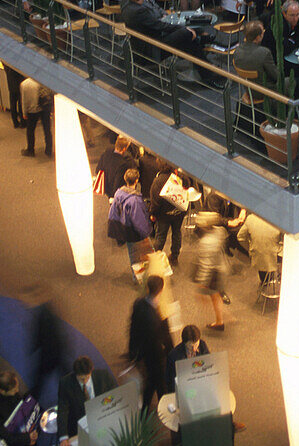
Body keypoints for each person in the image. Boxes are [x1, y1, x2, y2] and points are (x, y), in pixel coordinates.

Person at [128, 275, 174, 408]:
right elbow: (166, 338)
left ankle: (147, 409)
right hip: (157, 356)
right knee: (158, 383)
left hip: (143, 353)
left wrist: (132, 352)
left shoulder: (138, 303)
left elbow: (133, 328)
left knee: (152, 383)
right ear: (161, 290)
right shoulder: (160, 316)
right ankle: (162, 408)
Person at [56, 357, 118, 446]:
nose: (84, 381)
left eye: (87, 377)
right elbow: (62, 410)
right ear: (75, 374)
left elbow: (115, 395)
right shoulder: (65, 383)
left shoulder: (104, 376)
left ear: (91, 371)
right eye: (81, 379)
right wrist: (63, 437)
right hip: (80, 426)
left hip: (103, 419)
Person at [107, 168, 152, 273]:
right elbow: (139, 221)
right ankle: (140, 276)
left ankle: (135, 275)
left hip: (124, 228)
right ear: (136, 181)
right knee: (139, 256)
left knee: (132, 255)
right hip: (134, 233)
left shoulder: (119, 193)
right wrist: (147, 232)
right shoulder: (134, 200)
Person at [0, 371, 40, 446]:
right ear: (2, 391)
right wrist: (27, 439)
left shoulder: (12, 395)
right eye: (14, 389)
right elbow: (3, 437)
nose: (17, 390)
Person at [193, 212, 229, 331]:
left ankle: (220, 321)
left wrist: (201, 283)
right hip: (222, 267)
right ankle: (222, 319)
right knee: (216, 295)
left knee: (214, 296)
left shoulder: (206, 242)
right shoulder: (220, 231)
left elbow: (206, 266)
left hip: (215, 272)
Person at [237, 212, 282, 285]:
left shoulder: (250, 219)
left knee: (262, 257)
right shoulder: (279, 219)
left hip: (258, 256)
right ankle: (282, 278)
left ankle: (265, 283)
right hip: (276, 256)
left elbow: (240, 238)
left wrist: (249, 248)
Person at [20, 77, 53, 157]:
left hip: (32, 110)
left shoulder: (24, 84)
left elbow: (24, 100)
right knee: (47, 130)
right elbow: (50, 94)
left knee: (30, 131)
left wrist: (24, 113)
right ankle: (49, 150)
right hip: (44, 109)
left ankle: (30, 150)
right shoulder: (43, 80)